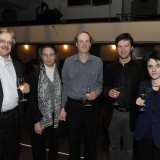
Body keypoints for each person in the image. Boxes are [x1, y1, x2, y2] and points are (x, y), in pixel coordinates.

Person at [59, 31, 103, 160]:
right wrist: (63, 107)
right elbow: (65, 86)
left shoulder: (98, 61)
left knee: (91, 141)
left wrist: (97, 93)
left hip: (92, 106)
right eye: (81, 41)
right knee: (73, 142)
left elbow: (100, 83)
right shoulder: (68, 62)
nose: (84, 43)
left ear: (90, 44)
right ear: (76, 44)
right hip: (73, 107)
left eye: (87, 41)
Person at [103, 33, 146, 160]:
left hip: (131, 114)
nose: (123, 49)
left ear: (131, 47)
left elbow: (143, 89)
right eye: (120, 46)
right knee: (113, 147)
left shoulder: (139, 68)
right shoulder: (109, 68)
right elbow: (104, 87)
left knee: (128, 149)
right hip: (113, 113)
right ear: (116, 48)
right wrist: (108, 92)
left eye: (126, 46)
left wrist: (140, 97)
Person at [0, 28, 30, 160]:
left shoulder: (18, 66)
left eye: (9, 42)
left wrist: (25, 89)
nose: (6, 45)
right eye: (2, 41)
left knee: (12, 153)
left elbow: (19, 87)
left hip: (14, 118)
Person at [28, 45, 62, 160]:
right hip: (40, 117)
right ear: (41, 56)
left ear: (56, 56)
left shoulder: (61, 72)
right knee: (39, 151)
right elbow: (32, 100)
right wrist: (36, 121)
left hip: (56, 117)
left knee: (54, 149)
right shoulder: (35, 74)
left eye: (51, 54)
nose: (48, 57)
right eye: (45, 55)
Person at [135, 51, 160, 160]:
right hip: (143, 135)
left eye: (158, 66)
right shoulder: (143, 85)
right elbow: (140, 106)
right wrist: (137, 102)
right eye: (150, 66)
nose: (153, 69)